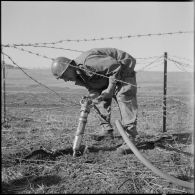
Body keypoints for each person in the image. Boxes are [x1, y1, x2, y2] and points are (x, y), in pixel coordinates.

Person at [51, 48, 138, 155]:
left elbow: (115, 67)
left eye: (64, 76)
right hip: (108, 74)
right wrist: (91, 99)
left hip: (123, 68)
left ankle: (130, 139)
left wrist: (110, 89)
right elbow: (93, 88)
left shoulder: (88, 62)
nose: (65, 80)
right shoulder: (78, 75)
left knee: (124, 97)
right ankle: (107, 130)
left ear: (69, 67)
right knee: (98, 99)